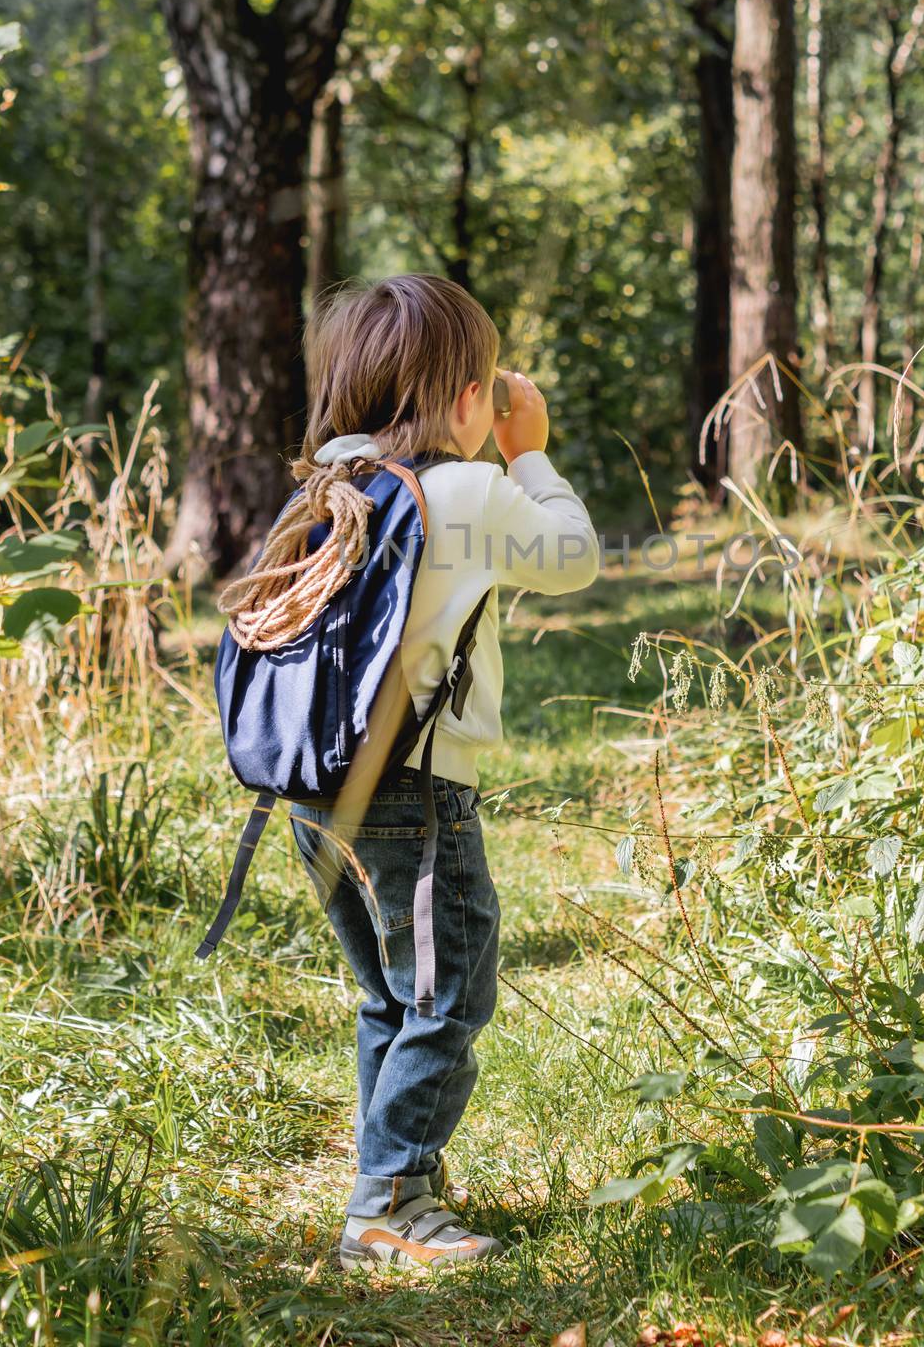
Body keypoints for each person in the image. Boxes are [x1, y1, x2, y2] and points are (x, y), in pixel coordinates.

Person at [288, 273, 600, 1270]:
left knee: (392, 992)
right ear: (469, 399)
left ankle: (401, 1176)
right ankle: (384, 1209)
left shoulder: (327, 480)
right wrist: (531, 450)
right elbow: (575, 556)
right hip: (415, 794)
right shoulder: (465, 487)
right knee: (451, 995)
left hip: (314, 789)